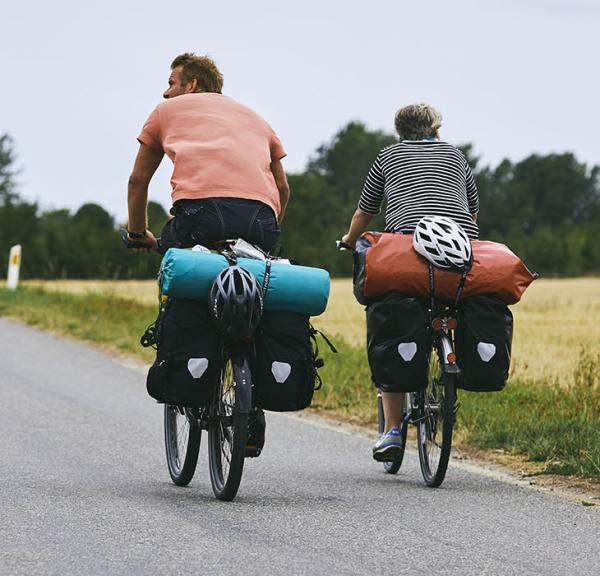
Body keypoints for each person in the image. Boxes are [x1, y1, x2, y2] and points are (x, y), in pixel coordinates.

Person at [127, 52, 291, 456]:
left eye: (172, 81)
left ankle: (180, 363)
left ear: (192, 85)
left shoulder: (166, 111)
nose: (165, 90)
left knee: (178, 277)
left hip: (199, 214)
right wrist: (264, 232)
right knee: (255, 295)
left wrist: (137, 233)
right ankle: (250, 394)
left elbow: (137, 180)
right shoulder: (255, 116)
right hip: (261, 220)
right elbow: (283, 188)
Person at [342, 103, 479, 461]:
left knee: (392, 328)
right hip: (460, 258)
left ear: (399, 131)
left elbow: (365, 211)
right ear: (436, 129)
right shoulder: (456, 155)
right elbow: (473, 211)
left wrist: (348, 239)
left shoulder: (388, 155)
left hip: (408, 256)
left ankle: (391, 430)